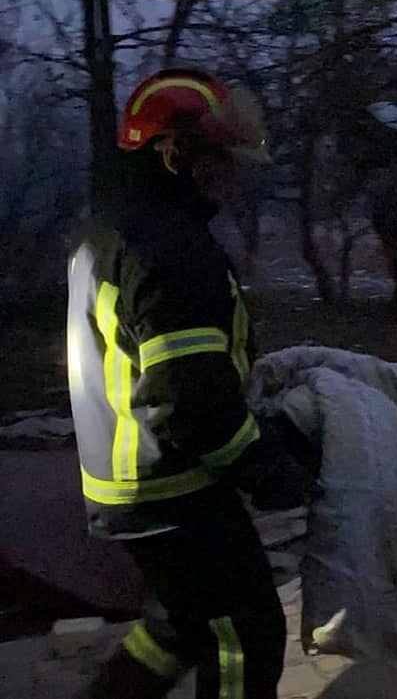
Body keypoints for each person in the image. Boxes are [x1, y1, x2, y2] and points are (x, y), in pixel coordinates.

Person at [68, 69, 312, 699]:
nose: (227, 175)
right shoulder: (172, 248)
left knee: (179, 624)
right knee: (245, 636)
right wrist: (267, 467)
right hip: (174, 487)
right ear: (171, 153)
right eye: (215, 158)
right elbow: (191, 402)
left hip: (129, 481)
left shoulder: (112, 230)